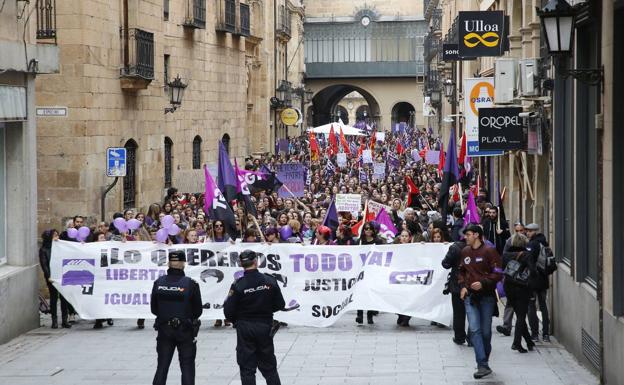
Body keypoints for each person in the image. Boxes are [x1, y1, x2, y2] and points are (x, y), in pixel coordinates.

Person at [224, 250, 285, 385]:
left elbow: (228, 312)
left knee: (247, 369)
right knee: (269, 368)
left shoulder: (238, 285)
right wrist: (266, 310)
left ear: (241, 264)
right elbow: (281, 304)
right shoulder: (269, 280)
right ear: (256, 262)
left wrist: (238, 320)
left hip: (245, 327)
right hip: (264, 326)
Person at [151, 250, 203, 385]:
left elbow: (154, 309)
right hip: (185, 330)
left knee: (162, 367)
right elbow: (198, 311)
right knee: (187, 368)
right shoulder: (191, 284)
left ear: (169, 263)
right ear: (183, 264)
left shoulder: (158, 283)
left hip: (164, 330)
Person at [458, 224, 503, 379]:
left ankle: (485, 360)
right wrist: (463, 286)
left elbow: (498, 273)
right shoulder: (465, 251)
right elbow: (461, 271)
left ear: (476, 235)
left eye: (468, 234)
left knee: (485, 332)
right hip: (470, 297)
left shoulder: (489, 251)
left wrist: (483, 282)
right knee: (475, 330)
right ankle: (482, 364)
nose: (466, 237)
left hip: (487, 297)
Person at [502, 233, 535, 353]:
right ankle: (516, 343)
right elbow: (533, 271)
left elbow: (503, 269)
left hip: (509, 287)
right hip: (522, 288)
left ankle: (529, 342)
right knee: (521, 316)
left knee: (519, 314)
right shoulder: (526, 255)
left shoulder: (505, 255)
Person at [497, 221, 526, 337]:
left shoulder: (527, 243)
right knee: (510, 302)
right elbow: (504, 257)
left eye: (521, 230)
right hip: (511, 277)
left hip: (524, 280)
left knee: (526, 306)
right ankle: (506, 326)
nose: (519, 233)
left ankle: (528, 331)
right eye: (517, 231)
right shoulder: (510, 241)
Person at [39, 229, 71, 329]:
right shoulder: (44, 250)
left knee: (63, 298)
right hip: (52, 277)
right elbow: (44, 265)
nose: (57, 237)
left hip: (62, 275)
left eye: (57, 235)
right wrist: (49, 276)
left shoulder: (61, 248)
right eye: (54, 236)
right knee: (53, 298)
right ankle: (54, 321)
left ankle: (65, 320)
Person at [525, 223, 551, 343]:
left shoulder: (532, 244)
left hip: (533, 280)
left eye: (529, 231)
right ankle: (546, 333)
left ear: (535, 231)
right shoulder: (544, 242)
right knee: (543, 306)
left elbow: (529, 262)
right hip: (544, 279)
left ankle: (534, 333)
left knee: (531, 306)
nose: (527, 233)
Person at [442, 234, 468, 345]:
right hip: (472, 283)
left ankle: (459, 337)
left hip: (458, 284)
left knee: (459, 313)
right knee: (473, 312)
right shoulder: (480, 247)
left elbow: (445, 263)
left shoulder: (455, 247)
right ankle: (471, 337)